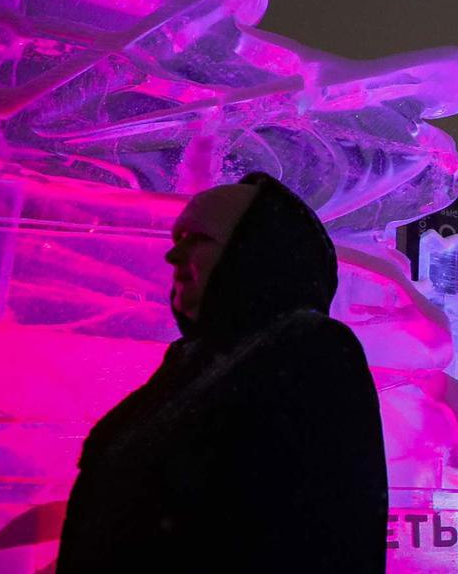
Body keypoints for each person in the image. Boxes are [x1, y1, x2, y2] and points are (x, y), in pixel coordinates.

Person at [57, 172, 388, 573]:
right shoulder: (192, 362)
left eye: (198, 239)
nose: (173, 256)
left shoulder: (310, 348)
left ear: (253, 253)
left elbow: (334, 533)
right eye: (177, 239)